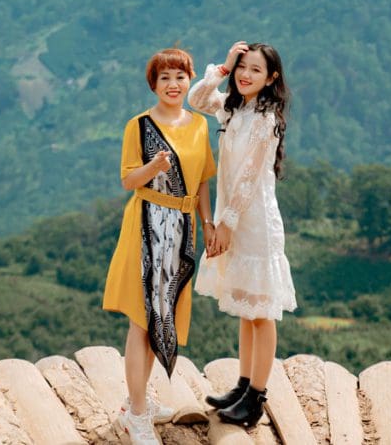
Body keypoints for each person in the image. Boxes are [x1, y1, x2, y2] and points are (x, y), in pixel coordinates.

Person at [103, 47, 217, 445]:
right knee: (142, 319)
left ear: (189, 82)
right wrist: (154, 168)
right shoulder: (139, 125)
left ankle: (137, 402)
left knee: (159, 318)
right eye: (165, 78)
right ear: (153, 84)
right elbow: (128, 181)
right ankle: (136, 414)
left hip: (184, 230)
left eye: (180, 77)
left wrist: (208, 222)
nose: (173, 84)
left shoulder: (200, 125)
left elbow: (203, 180)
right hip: (148, 227)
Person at [188, 40, 297, 428]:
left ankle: (256, 398)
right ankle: (243, 384)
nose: (245, 75)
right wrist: (221, 67)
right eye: (242, 67)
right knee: (246, 309)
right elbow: (198, 99)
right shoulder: (235, 108)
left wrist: (227, 225)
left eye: (255, 69)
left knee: (261, 313)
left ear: (272, 79)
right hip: (232, 217)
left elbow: (249, 178)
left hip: (255, 225)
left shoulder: (265, 118)